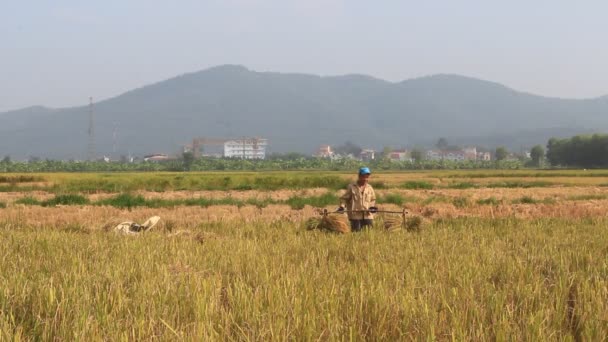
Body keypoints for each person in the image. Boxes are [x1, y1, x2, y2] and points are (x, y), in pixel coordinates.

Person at [338, 167, 378, 232]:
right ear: (359, 176)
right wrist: (342, 207)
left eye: (367, 177)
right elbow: (344, 199)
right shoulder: (351, 187)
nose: (365, 179)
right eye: (364, 176)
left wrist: (372, 207)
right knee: (356, 234)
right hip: (355, 216)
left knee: (370, 233)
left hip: (368, 215)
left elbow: (373, 199)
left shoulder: (369, 188)